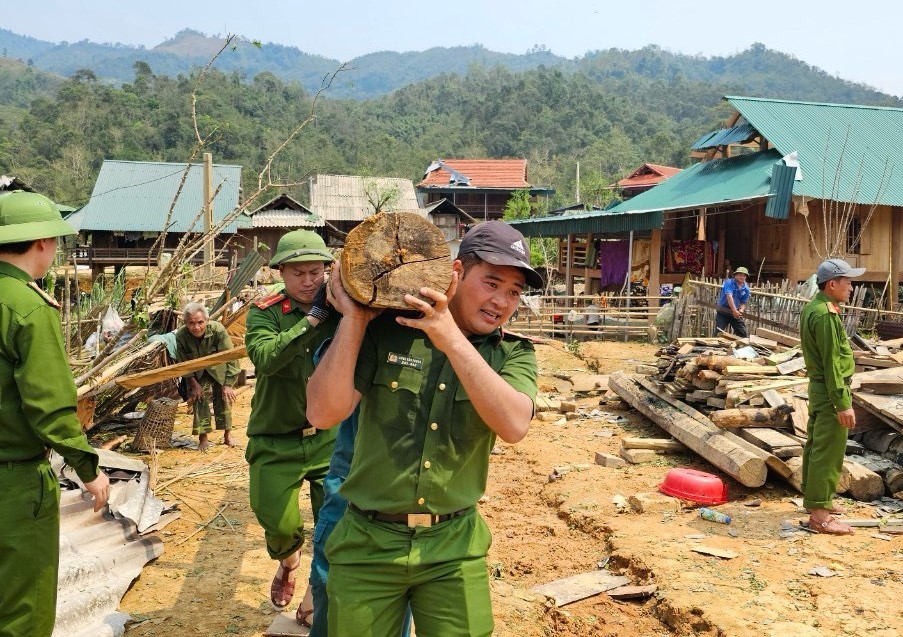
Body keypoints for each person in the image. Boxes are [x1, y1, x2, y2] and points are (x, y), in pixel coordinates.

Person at [307, 220, 540, 637]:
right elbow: (323, 413)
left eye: (514, 292)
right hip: (367, 544)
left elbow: (514, 425)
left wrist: (450, 337)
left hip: (455, 548)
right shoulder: (389, 331)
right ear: (456, 271)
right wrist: (355, 320)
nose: (501, 301)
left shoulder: (511, 353)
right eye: (491, 283)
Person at [0, 190, 110, 637]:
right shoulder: (27, 306)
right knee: (23, 608)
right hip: (14, 481)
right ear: (43, 242)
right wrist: (88, 467)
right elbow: (49, 407)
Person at [244, 230, 339, 620]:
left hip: (329, 437)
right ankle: (288, 559)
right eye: (298, 273)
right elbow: (266, 358)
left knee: (334, 524)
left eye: (316, 272)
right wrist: (312, 321)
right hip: (276, 436)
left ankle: (316, 594)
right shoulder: (265, 312)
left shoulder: (341, 309)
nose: (308, 281)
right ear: (280, 273)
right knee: (277, 521)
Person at [799, 258, 865, 535]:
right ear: (832, 284)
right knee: (827, 452)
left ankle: (817, 500)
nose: (851, 287)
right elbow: (832, 363)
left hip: (819, 389)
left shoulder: (814, 307)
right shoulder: (825, 315)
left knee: (816, 446)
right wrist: (842, 402)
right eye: (847, 282)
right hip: (829, 392)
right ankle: (820, 517)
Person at [175, 302, 241, 451]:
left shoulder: (218, 330)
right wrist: (193, 383)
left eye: (200, 322)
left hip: (218, 369)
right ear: (185, 323)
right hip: (196, 373)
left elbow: (231, 357)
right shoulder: (181, 336)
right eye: (191, 323)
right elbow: (183, 362)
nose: (196, 327)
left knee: (224, 398)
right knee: (198, 398)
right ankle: (203, 438)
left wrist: (228, 384)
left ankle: (227, 435)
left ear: (207, 320)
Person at [715, 266, 750, 337]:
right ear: (735, 275)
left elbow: (743, 302)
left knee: (743, 335)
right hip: (723, 311)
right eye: (740, 275)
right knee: (719, 332)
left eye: (744, 275)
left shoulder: (746, 289)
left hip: (735, 313)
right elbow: (729, 297)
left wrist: (741, 311)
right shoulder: (729, 283)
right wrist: (734, 310)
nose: (742, 277)